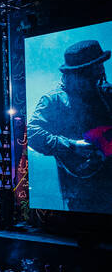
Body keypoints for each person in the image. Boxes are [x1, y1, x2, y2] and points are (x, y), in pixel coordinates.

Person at [27, 40, 112, 212]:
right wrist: (72, 146)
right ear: (75, 74)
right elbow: (31, 134)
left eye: (100, 67)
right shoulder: (54, 100)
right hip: (81, 193)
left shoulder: (107, 94)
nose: (100, 72)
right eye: (93, 70)